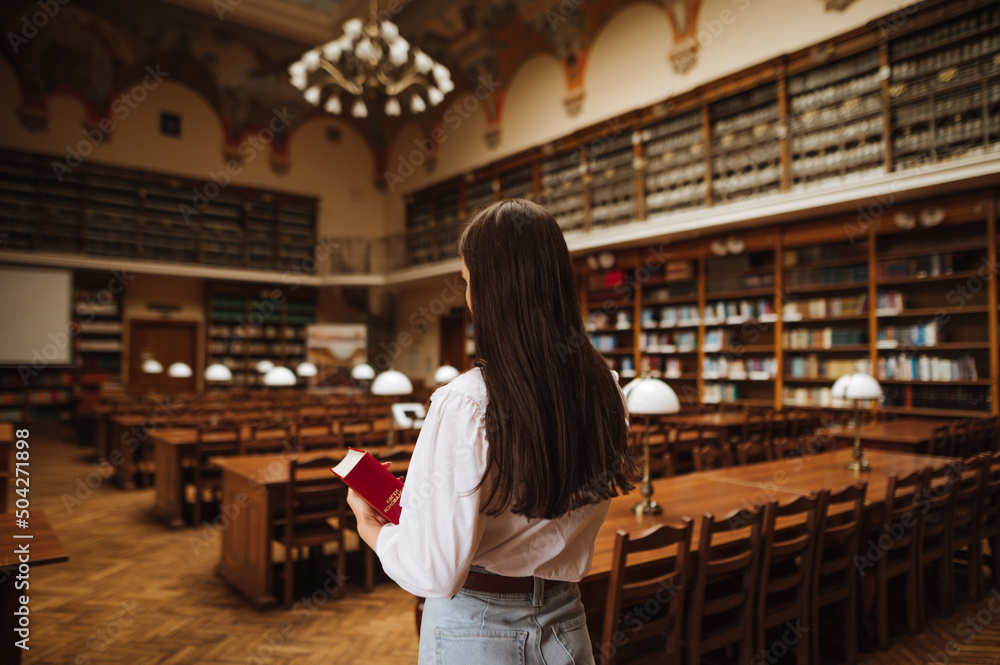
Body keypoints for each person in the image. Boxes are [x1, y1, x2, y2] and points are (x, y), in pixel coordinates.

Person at [347, 198, 635, 665]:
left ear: (491, 289)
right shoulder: (607, 390)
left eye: (467, 281)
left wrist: (371, 528)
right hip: (567, 620)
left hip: (477, 631)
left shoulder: (465, 402)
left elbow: (435, 571)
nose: (466, 296)